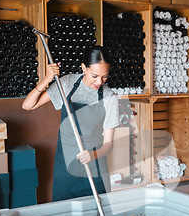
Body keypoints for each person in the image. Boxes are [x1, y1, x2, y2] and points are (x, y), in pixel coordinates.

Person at [22, 45, 119, 202]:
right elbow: (28, 105)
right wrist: (47, 79)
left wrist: (93, 155)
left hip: (94, 168)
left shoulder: (109, 97)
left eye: (104, 77)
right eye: (94, 76)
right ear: (83, 68)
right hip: (65, 167)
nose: (99, 81)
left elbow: (108, 144)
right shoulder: (66, 84)